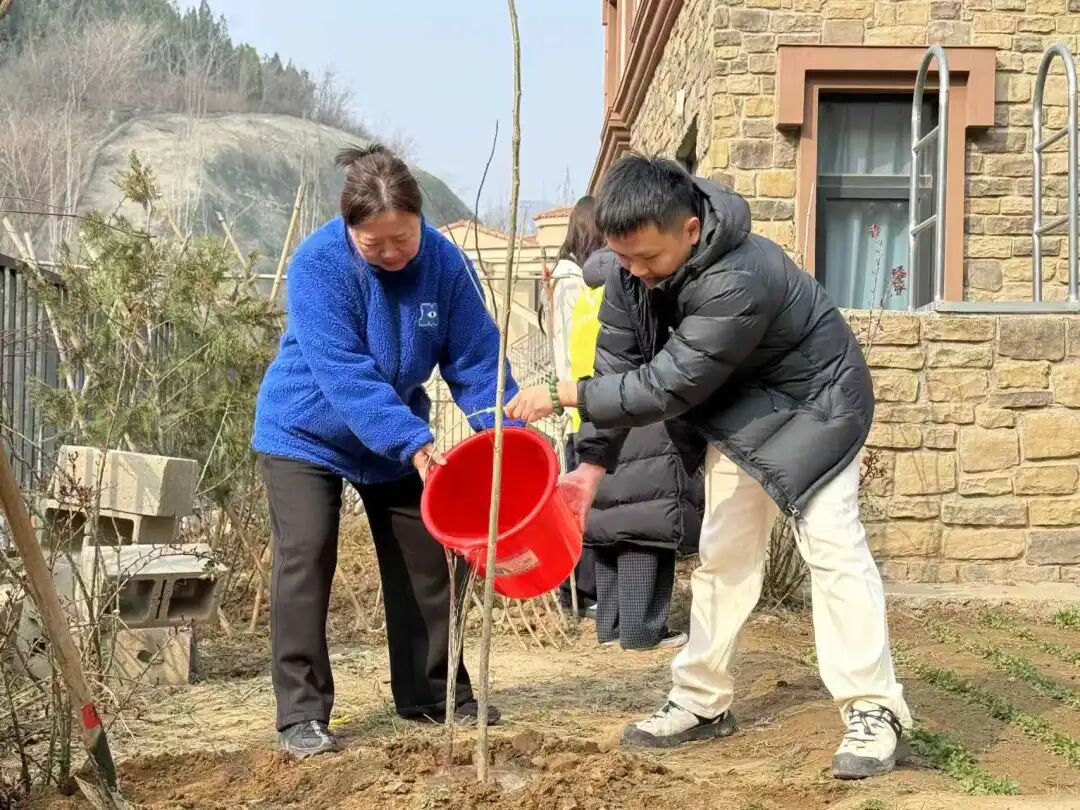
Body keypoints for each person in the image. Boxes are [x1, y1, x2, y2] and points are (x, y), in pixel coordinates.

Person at [507, 154, 911, 780]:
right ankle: (701, 700)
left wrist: (566, 394)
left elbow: (667, 384)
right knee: (724, 555)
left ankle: (873, 710)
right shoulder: (629, 273)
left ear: (690, 230)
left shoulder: (741, 274)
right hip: (739, 417)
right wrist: (591, 467)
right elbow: (618, 367)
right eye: (623, 258)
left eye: (647, 258)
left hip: (817, 406)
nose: (635, 272)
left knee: (834, 549)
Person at [253, 143, 516, 759]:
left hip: (393, 436)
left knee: (426, 557)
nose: (393, 253)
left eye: (404, 238)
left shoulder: (445, 264)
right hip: (306, 431)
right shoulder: (318, 264)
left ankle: (430, 694)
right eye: (376, 244)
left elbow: (476, 358)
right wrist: (414, 444)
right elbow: (345, 374)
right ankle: (301, 714)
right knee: (306, 555)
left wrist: (502, 432)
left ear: (421, 220)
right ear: (350, 231)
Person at [571, 247, 705, 650]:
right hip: (645, 422)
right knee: (647, 532)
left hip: (596, 424)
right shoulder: (647, 287)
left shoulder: (585, 297)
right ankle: (642, 631)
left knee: (609, 530)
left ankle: (609, 628)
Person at [547, 196, 605, 617]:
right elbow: (573, 352)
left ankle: (580, 591)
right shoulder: (572, 283)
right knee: (582, 507)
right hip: (581, 410)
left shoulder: (567, 279)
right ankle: (577, 593)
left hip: (581, 405)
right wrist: (577, 399)